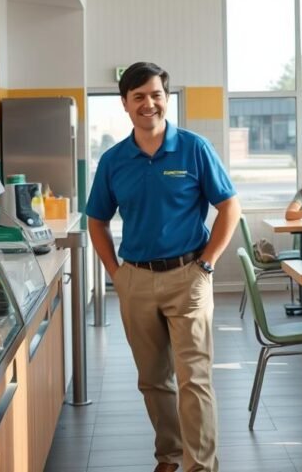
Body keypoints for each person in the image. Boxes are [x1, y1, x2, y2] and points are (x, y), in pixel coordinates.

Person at [86, 62, 240, 472]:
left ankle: (200, 466)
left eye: (155, 95)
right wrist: (116, 273)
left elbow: (229, 208)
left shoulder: (194, 148)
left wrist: (206, 264)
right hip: (135, 279)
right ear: (125, 104)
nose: (148, 104)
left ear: (166, 99)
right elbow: (96, 221)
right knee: (153, 380)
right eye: (138, 97)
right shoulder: (114, 160)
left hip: (189, 276)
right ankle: (169, 457)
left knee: (195, 379)